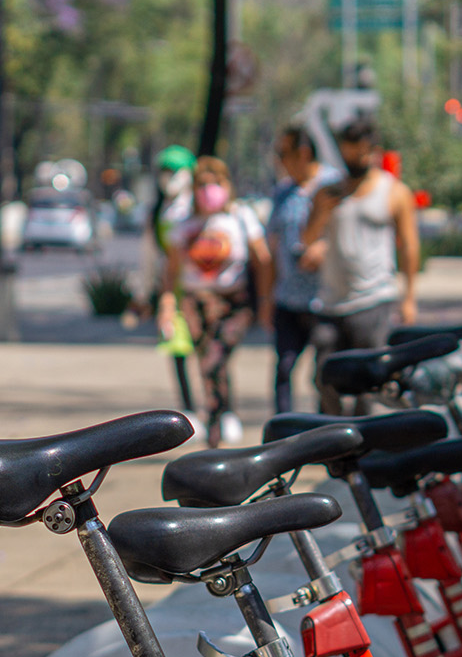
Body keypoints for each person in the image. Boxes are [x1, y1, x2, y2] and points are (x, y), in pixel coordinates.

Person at [301, 118, 420, 414]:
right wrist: (322, 213)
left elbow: (409, 245)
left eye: (364, 152)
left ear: (375, 151)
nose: (358, 158)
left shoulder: (394, 192)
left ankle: (365, 449)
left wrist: (409, 297)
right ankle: (333, 443)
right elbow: (307, 239)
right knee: (324, 378)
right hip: (331, 303)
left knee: (370, 383)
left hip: (374, 299)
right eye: (351, 152)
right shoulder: (326, 192)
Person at [157, 157, 273, 447]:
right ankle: (219, 419)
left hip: (233, 303)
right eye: (203, 184)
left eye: (216, 183)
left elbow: (264, 260)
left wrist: (266, 301)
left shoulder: (241, 217)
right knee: (209, 363)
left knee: (216, 357)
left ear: (228, 185)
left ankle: (216, 423)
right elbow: (170, 272)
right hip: (196, 303)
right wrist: (167, 306)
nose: (209, 190)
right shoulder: (182, 221)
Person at [264, 124, 342, 414]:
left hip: (325, 300)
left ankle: (326, 435)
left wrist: (324, 248)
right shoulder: (281, 193)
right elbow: (272, 247)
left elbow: (349, 236)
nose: (278, 161)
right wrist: (267, 297)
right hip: (288, 299)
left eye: (282, 153)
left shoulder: (334, 185)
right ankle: (282, 437)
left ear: (304, 152)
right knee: (283, 370)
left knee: (324, 377)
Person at [142, 145, 199, 423]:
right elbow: (151, 257)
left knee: (208, 353)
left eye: (174, 171)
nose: (169, 177)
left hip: (200, 288)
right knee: (176, 350)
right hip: (172, 292)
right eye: (164, 171)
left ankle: (220, 409)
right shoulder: (158, 211)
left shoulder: (198, 208)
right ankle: (190, 409)